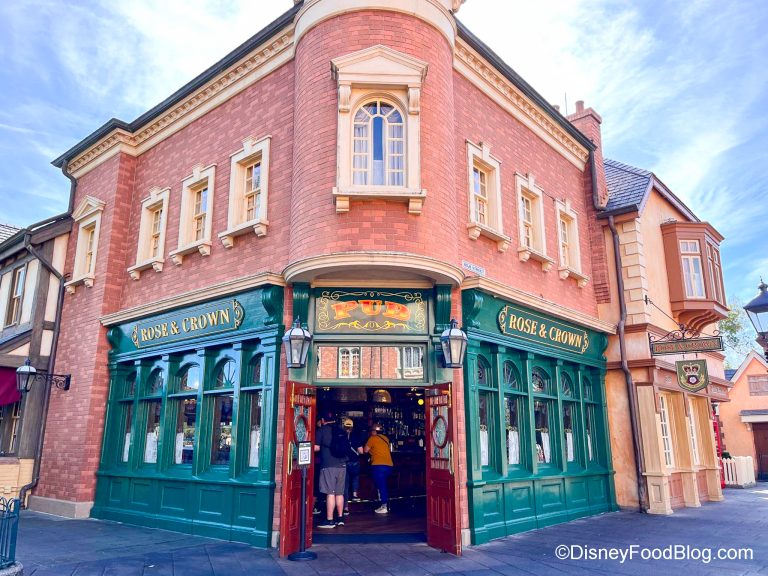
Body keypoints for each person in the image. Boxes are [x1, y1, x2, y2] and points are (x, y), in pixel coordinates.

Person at [314, 411, 348, 528]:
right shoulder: (341, 431)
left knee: (330, 493)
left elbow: (316, 448)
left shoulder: (322, 430)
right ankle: (340, 518)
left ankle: (329, 520)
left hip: (328, 465)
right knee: (340, 493)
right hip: (342, 465)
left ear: (323, 420)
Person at [364, 423, 393, 514]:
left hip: (378, 465)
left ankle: (384, 506)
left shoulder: (372, 438)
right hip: (389, 465)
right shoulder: (386, 439)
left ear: (374, 431)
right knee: (383, 485)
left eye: (372, 431)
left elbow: (365, 450)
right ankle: (384, 504)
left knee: (381, 486)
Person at [342, 418, 364, 514]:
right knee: (355, 477)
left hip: (345, 462)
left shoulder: (341, 436)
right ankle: (355, 495)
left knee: (345, 485)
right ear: (352, 427)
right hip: (355, 462)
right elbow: (361, 451)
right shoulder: (356, 436)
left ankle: (345, 508)